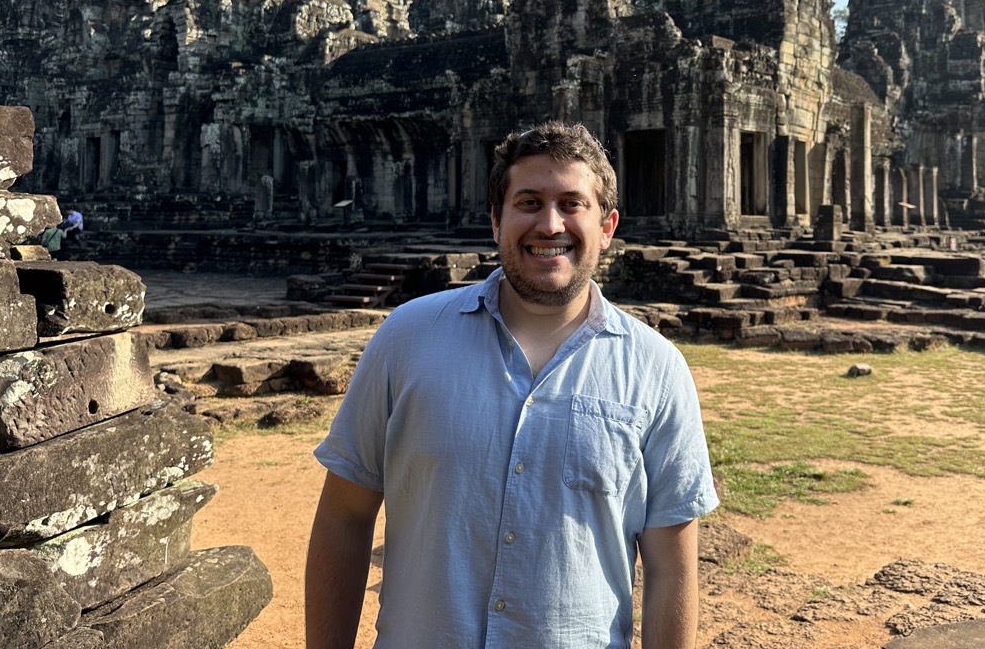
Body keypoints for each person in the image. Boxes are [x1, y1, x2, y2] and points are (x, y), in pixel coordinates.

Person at [306, 121, 718, 649]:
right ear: (497, 220)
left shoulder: (657, 369)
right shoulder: (407, 338)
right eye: (528, 202)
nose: (550, 224)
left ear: (608, 225)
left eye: (573, 204)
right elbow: (345, 516)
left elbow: (672, 568)